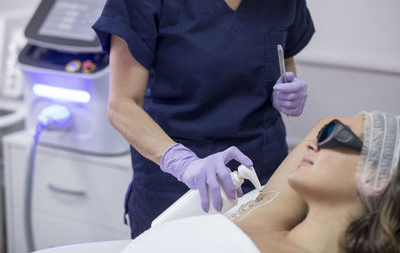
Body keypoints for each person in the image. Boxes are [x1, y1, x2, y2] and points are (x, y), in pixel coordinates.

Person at [92, 0, 314, 238]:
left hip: (263, 171)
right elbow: (122, 105)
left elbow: (283, 55)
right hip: (175, 185)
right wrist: (180, 162)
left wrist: (286, 88)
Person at [118, 111, 400, 253]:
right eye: (323, 133)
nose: (314, 143)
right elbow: (331, 118)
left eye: (337, 134)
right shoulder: (267, 213)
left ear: (377, 179)